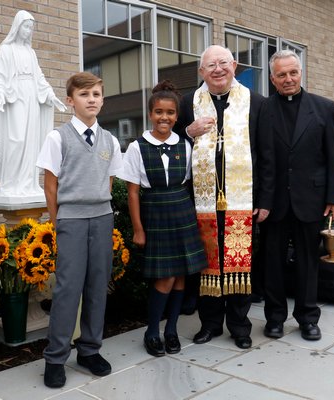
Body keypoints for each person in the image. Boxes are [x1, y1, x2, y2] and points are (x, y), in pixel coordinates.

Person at [174, 45, 273, 349]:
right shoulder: (188, 103)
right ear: (201, 72)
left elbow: (268, 155)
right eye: (210, 65)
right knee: (207, 263)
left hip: (242, 199)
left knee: (239, 261)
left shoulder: (256, 103)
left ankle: (240, 327)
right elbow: (172, 143)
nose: (217, 69)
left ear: (235, 65)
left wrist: (265, 199)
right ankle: (210, 324)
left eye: (222, 63)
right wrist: (188, 130)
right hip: (202, 201)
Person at [36, 71, 123, 388]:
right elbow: (50, 186)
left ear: (102, 100)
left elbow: (109, 181)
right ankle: (55, 358)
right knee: (68, 290)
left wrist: (100, 209)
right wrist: (59, 223)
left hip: (101, 217)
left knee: (98, 286)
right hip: (70, 220)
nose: (92, 100)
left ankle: (89, 350)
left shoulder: (110, 141)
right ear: (71, 101)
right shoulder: (57, 138)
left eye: (97, 94)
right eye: (85, 95)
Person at [119, 80, 208, 357]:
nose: (164, 118)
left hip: (182, 211)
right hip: (155, 212)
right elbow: (133, 192)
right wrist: (138, 229)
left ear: (176, 116)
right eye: (159, 112)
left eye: (170, 113)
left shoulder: (184, 143)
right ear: (150, 114)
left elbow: (190, 184)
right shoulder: (137, 147)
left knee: (180, 276)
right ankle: (152, 331)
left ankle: (171, 331)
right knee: (164, 277)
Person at [259, 50, 334, 341]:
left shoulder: (324, 107)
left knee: (309, 262)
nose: (288, 79)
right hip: (273, 203)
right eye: (281, 75)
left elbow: (333, 157)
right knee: (273, 264)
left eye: (293, 72)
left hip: (312, 201)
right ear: (273, 79)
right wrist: (260, 201)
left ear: (301, 73)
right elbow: (258, 158)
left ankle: (308, 318)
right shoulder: (262, 110)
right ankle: (275, 318)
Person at [0, 10, 66, 203]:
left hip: (32, 97)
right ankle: (10, 183)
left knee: (31, 142)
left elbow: (39, 78)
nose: (29, 31)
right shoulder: (6, 50)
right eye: (26, 26)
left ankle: (28, 184)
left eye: (31, 28)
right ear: (17, 27)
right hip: (14, 98)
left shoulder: (31, 53)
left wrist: (50, 96)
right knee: (16, 140)